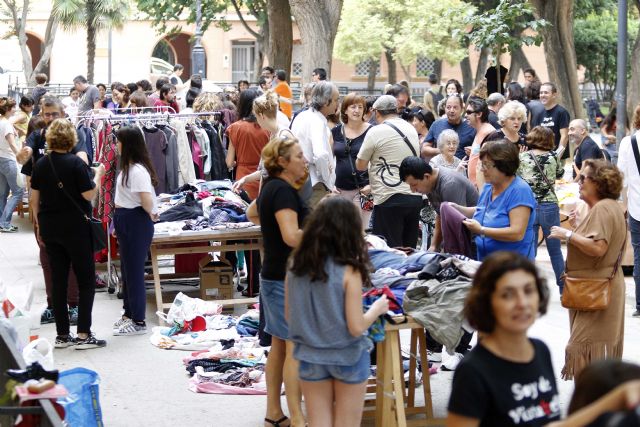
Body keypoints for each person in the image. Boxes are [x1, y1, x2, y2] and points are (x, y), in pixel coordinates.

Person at [286, 197, 389, 427]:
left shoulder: (295, 267)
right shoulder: (349, 270)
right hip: (348, 356)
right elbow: (356, 326)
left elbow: (290, 318)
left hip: (310, 355)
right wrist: (377, 308)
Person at [447, 251, 560, 426]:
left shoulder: (541, 351)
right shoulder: (473, 371)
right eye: (508, 294)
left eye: (529, 291)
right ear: (486, 302)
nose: (522, 303)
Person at [246, 134, 308, 427]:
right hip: (285, 278)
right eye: (298, 156)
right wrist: (325, 230)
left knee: (281, 347)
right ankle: (296, 417)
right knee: (293, 346)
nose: (304, 160)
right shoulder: (282, 191)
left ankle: (275, 412)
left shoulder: (270, 186)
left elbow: (251, 212)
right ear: (283, 162)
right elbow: (292, 236)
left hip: (273, 274)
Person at [30, 118, 106, 349]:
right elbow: (88, 195)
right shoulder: (76, 164)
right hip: (76, 229)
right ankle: (84, 333)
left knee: (59, 281)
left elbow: (34, 200)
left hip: (51, 228)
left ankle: (62, 335)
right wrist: (99, 176)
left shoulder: (41, 164)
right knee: (85, 281)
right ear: (71, 139)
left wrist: (39, 226)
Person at [548, 159, 627, 381]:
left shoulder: (602, 208)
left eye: (583, 178)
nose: (578, 181)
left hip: (597, 289)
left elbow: (599, 247)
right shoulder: (607, 207)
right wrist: (576, 229)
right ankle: (595, 400)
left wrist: (568, 235)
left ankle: (589, 401)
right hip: (597, 287)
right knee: (591, 348)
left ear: (599, 183)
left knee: (580, 346)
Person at [17, 97, 88, 326]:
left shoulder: (74, 134)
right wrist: (36, 221)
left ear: (62, 113)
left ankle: (73, 306)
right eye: (46, 114)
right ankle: (54, 307)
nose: (49, 118)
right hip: (46, 214)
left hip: (71, 212)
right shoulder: (37, 136)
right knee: (49, 263)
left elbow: (83, 158)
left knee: (71, 264)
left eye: (53, 114)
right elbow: (28, 166)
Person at [356, 95, 422, 247]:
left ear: (377, 112)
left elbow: (360, 165)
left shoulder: (376, 131)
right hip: (413, 197)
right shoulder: (411, 128)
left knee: (389, 252)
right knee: (409, 250)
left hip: (388, 198)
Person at [453, 140, 536, 260]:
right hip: (487, 264)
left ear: (503, 165)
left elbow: (517, 233)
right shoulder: (489, 187)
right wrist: (457, 209)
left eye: (486, 165)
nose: (482, 169)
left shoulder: (519, 190)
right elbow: (483, 210)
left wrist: (481, 230)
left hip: (512, 267)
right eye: (482, 164)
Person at [112, 127, 158, 336]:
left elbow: (146, 201)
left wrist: (152, 213)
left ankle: (138, 320)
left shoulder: (137, 171)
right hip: (127, 219)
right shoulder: (129, 168)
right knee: (128, 270)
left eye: (118, 142)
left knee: (134, 272)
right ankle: (129, 313)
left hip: (135, 220)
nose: (116, 145)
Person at [517, 126, 565, 293]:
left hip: (528, 206)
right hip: (549, 205)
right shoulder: (553, 156)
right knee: (555, 250)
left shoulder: (522, 157)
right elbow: (559, 174)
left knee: (530, 249)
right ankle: (563, 289)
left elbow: (516, 177)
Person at [400, 156, 478, 253]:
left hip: (474, 239)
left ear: (426, 176)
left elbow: (457, 224)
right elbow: (440, 215)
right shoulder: (429, 184)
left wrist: (444, 251)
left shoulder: (449, 184)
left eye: (414, 185)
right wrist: (433, 246)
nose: (412, 190)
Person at [290, 81, 339, 208]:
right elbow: (321, 155)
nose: (337, 104)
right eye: (335, 100)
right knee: (313, 225)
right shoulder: (317, 121)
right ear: (325, 101)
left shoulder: (301, 116)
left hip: (300, 180)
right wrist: (326, 178)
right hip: (314, 184)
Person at [331, 92, 372, 228]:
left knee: (360, 231)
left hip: (362, 190)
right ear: (345, 110)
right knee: (339, 230)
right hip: (339, 190)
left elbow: (378, 161)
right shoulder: (335, 132)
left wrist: (372, 185)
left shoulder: (372, 131)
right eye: (353, 107)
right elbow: (329, 160)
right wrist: (330, 184)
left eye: (360, 107)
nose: (357, 111)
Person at [618, 104, 640, 317]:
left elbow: (620, 178)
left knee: (639, 255)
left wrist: (624, 202)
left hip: (637, 207)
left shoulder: (628, 143)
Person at [425, 94, 476, 160]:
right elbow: (424, 149)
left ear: (462, 109)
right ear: (445, 108)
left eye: (455, 107)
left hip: (464, 168)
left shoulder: (471, 126)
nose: (451, 110)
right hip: (441, 168)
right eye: (448, 107)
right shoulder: (436, 124)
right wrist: (441, 150)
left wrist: (474, 151)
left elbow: (482, 148)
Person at [0, 97, 23, 233]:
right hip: (8, 159)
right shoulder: (6, 124)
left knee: (2, 193)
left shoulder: (2, 122)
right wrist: (20, 157)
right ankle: (5, 223)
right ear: (9, 109)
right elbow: (12, 144)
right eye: (14, 107)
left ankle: (2, 222)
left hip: (1, 158)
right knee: (18, 192)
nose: (15, 109)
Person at [530, 82, 570, 159]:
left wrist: (557, 156)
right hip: (541, 156)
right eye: (541, 93)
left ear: (554, 95)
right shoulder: (539, 113)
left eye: (546, 93)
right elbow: (536, 135)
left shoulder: (561, 112)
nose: (542, 95)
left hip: (557, 156)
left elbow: (564, 136)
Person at [466, 97, 498, 188]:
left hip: (483, 188)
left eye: (469, 112)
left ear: (479, 114)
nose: (465, 115)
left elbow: (491, 164)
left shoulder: (490, 133)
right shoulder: (480, 130)